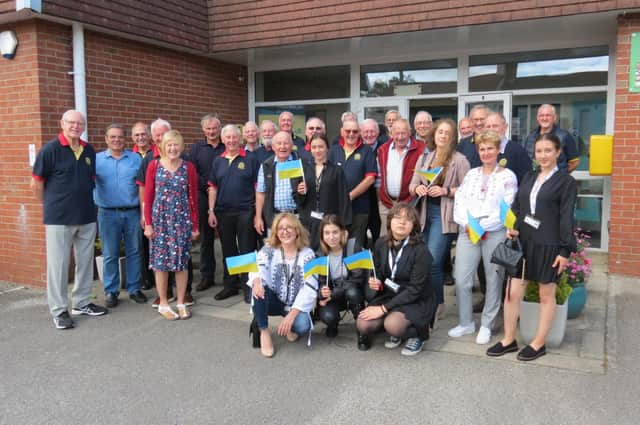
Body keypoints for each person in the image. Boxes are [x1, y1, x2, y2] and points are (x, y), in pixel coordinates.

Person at [487, 133, 578, 361]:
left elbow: (567, 218)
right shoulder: (528, 176)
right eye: (539, 151)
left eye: (548, 150)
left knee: (546, 295)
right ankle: (509, 339)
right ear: (534, 154)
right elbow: (518, 206)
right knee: (511, 294)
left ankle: (539, 343)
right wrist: (512, 226)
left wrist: (565, 251)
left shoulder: (566, 182)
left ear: (558, 152)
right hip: (523, 244)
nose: (543, 155)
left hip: (549, 245)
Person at [31, 110, 108, 329]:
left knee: (85, 262)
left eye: (79, 123)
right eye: (71, 122)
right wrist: (49, 206)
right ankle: (59, 310)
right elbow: (36, 183)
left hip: (85, 215)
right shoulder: (50, 150)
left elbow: (89, 180)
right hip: (59, 218)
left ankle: (82, 303)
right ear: (62, 124)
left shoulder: (89, 150)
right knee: (58, 265)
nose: (75, 126)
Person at [448, 130, 518, 345]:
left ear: (498, 150)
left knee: (493, 279)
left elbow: (505, 208)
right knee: (461, 279)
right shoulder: (471, 174)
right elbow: (459, 200)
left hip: (494, 232)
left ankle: (487, 325)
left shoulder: (507, 176)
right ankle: (466, 322)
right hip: (468, 232)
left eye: (490, 148)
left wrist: (481, 225)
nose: (486, 152)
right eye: (482, 148)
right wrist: (467, 224)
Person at [409, 118, 470, 321]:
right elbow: (412, 185)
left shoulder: (460, 160)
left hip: (445, 216)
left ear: (452, 137)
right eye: (440, 132)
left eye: (447, 133)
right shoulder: (425, 158)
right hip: (424, 215)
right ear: (434, 135)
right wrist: (418, 188)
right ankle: (428, 299)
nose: (443, 135)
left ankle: (438, 304)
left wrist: (445, 190)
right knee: (423, 261)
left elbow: (468, 189)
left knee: (434, 261)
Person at [356, 203, 434, 356]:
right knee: (362, 324)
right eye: (397, 218)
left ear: (414, 226)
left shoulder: (421, 250)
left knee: (393, 325)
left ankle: (418, 335)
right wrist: (375, 279)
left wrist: (383, 309)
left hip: (415, 299)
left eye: (407, 219)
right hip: (389, 293)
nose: (402, 222)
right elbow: (378, 270)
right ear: (390, 221)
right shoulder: (380, 243)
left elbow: (415, 290)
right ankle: (396, 327)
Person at [143, 130, 199, 320]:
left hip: (182, 219)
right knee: (161, 264)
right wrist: (148, 224)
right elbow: (148, 198)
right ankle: (164, 303)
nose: (173, 148)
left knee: (181, 263)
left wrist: (194, 225)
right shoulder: (154, 166)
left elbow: (193, 198)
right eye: (169, 145)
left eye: (176, 145)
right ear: (162, 147)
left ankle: (181, 302)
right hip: (160, 220)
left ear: (181, 147)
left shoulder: (188, 167)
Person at [248, 213, 317, 357]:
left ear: (297, 230)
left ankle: (288, 325)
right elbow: (257, 266)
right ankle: (264, 332)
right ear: (276, 232)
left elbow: (310, 287)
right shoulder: (270, 248)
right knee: (258, 288)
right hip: (274, 300)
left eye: (289, 227)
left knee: (303, 325)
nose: (284, 232)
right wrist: (256, 282)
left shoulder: (308, 254)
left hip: (293, 305)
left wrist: (291, 316)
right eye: (280, 228)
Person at [94, 124, 147, 307]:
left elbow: (143, 187)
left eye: (119, 137)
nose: (116, 140)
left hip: (132, 212)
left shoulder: (135, 159)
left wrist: (144, 213)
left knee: (134, 252)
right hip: (107, 213)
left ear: (125, 139)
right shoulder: (96, 160)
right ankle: (111, 291)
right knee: (109, 254)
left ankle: (134, 288)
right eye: (112, 137)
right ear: (106, 139)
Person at [208, 125, 259, 302]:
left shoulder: (251, 159)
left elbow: (258, 188)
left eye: (234, 137)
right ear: (223, 140)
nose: (231, 140)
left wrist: (257, 214)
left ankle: (248, 286)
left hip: (245, 211)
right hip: (223, 212)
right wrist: (211, 211)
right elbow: (212, 188)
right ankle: (230, 285)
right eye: (228, 138)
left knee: (246, 250)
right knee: (228, 250)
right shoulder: (218, 161)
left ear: (240, 138)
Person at [295, 134, 351, 250]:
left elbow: (344, 199)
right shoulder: (303, 170)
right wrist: (300, 193)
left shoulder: (336, 170)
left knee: (327, 255)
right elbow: (298, 201)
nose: (317, 150)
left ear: (327, 148)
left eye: (321, 147)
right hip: (308, 222)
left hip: (329, 223)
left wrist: (344, 226)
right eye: (314, 147)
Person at [315, 215, 367, 340]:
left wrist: (333, 293)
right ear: (322, 236)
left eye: (335, 232)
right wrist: (322, 292)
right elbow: (320, 282)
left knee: (353, 292)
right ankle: (333, 324)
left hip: (351, 292)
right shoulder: (319, 254)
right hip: (333, 297)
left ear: (343, 233)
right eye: (327, 233)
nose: (331, 237)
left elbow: (358, 279)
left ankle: (362, 326)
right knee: (328, 316)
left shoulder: (353, 246)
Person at [328, 118, 377, 247]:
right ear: (342, 132)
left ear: (359, 132)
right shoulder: (333, 150)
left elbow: (370, 178)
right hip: (336, 208)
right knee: (336, 245)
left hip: (359, 209)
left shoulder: (366, 151)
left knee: (355, 246)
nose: (351, 134)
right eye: (348, 131)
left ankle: (354, 268)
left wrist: (350, 196)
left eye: (355, 131)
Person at [189, 113, 223, 292]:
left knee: (228, 240)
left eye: (214, 128)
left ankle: (231, 277)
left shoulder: (227, 145)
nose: (211, 131)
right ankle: (207, 276)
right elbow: (193, 173)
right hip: (203, 196)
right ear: (203, 130)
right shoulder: (195, 149)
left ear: (220, 128)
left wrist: (217, 187)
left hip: (225, 197)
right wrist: (208, 186)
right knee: (206, 239)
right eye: (208, 129)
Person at [377, 118, 426, 235]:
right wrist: (380, 198)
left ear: (410, 132)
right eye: (397, 133)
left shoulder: (421, 149)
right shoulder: (382, 150)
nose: (400, 137)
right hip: (386, 203)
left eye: (403, 133)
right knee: (386, 237)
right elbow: (379, 178)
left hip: (411, 202)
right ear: (391, 134)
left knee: (409, 237)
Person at [254, 131, 303, 236]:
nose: (282, 147)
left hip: (296, 216)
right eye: (279, 143)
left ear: (292, 146)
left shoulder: (299, 163)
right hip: (274, 218)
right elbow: (260, 193)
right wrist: (258, 217)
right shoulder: (266, 165)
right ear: (273, 146)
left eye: (286, 143)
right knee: (275, 250)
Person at [131, 122, 157, 290]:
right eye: (137, 135)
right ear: (133, 137)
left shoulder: (156, 153)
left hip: (157, 205)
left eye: (143, 134)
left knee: (156, 243)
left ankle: (160, 276)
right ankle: (145, 278)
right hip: (137, 206)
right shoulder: (129, 155)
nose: (140, 138)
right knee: (140, 244)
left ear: (149, 136)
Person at [523, 104, 580, 172]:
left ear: (554, 117)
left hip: (557, 181)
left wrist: (561, 175)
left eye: (548, 115)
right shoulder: (530, 137)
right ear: (537, 118)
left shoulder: (565, 136)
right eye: (541, 115)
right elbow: (527, 161)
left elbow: (574, 162)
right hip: (536, 180)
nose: (544, 118)